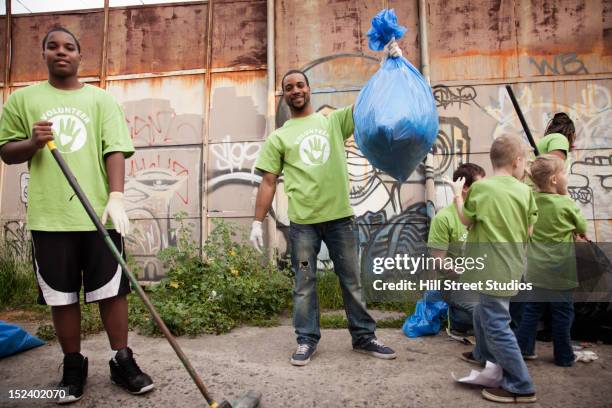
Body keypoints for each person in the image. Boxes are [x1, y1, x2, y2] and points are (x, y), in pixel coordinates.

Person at [0, 27, 153, 404]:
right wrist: (34, 142)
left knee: (113, 291)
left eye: (69, 47)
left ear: (80, 55)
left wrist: (116, 196)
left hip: (98, 214)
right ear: (44, 54)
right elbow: (7, 151)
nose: (61, 52)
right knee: (61, 295)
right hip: (50, 217)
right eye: (53, 46)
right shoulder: (23, 100)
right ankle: (73, 365)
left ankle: (122, 360)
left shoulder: (101, 100)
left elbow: (114, 149)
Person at [249, 42, 403, 366]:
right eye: (288, 87)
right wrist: (255, 221)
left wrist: (386, 66)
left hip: (340, 219)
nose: (295, 90)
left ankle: (364, 337)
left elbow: (366, 102)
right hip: (303, 223)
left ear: (309, 89)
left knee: (352, 280)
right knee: (304, 284)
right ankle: (306, 340)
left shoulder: (331, 122)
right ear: (284, 95)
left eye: (300, 85)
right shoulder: (279, 137)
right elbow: (267, 182)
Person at [452, 135, 538, 403]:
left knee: (498, 324)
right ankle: (486, 358)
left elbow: (466, 219)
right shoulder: (525, 192)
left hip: (491, 268)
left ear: (493, 161)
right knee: (485, 314)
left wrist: (457, 197)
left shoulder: (482, 189)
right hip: (512, 265)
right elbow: (528, 231)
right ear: (517, 161)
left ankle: (521, 384)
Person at [516, 154, 587, 367]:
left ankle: (522, 350)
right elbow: (582, 227)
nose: (567, 176)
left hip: (536, 271)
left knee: (531, 311)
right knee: (562, 313)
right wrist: (565, 196)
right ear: (555, 179)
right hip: (561, 273)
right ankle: (564, 356)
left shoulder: (531, 199)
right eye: (564, 172)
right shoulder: (566, 203)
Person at [429, 163, 485, 335]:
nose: (486, 189)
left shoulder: (483, 213)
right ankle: (457, 319)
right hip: (455, 284)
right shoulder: (444, 218)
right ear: (464, 188)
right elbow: (437, 261)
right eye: (480, 185)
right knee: (483, 313)